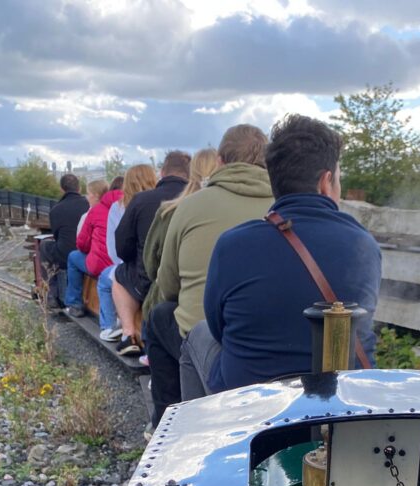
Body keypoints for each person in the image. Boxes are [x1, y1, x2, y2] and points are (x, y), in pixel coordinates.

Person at [179, 114, 381, 399]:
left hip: (250, 399)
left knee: (197, 335)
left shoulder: (232, 244)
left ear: (275, 182)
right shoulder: (363, 244)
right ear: (326, 182)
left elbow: (218, 327)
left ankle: (197, 434)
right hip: (341, 397)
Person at [146, 125, 273, 426]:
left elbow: (167, 286)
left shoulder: (189, 207)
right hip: (269, 347)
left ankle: (164, 423)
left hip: (205, 342)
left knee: (159, 315)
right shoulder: (283, 204)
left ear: (219, 160)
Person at [138, 148, 218, 363]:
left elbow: (156, 269)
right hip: (231, 319)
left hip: (190, 321)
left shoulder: (171, 211)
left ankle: (163, 388)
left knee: (158, 313)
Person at [112, 153, 189, 354]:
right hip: (190, 278)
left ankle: (128, 334)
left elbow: (122, 248)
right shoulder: (198, 198)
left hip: (150, 280)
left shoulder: (141, 200)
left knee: (118, 276)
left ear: (162, 173)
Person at [98, 168, 157, 342]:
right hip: (160, 266)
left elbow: (115, 250)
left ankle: (116, 329)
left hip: (134, 267)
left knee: (106, 279)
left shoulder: (119, 207)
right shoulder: (164, 202)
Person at [63, 179, 118, 317]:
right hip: (118, 262)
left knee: (73, 257)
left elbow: (82, 243)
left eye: (88, 194)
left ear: (94, 195)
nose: (87, 197)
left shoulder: (94, 211)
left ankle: (75, 304)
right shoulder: (119, 207)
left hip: (101, 264)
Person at [39, 173, 88, 308]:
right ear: (79, 188)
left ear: (62, 189)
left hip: (65, 255)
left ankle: (51, 295)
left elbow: (57, 235)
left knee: (44, 246)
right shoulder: (89, 204)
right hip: (86, 252)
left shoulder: (56, 210)